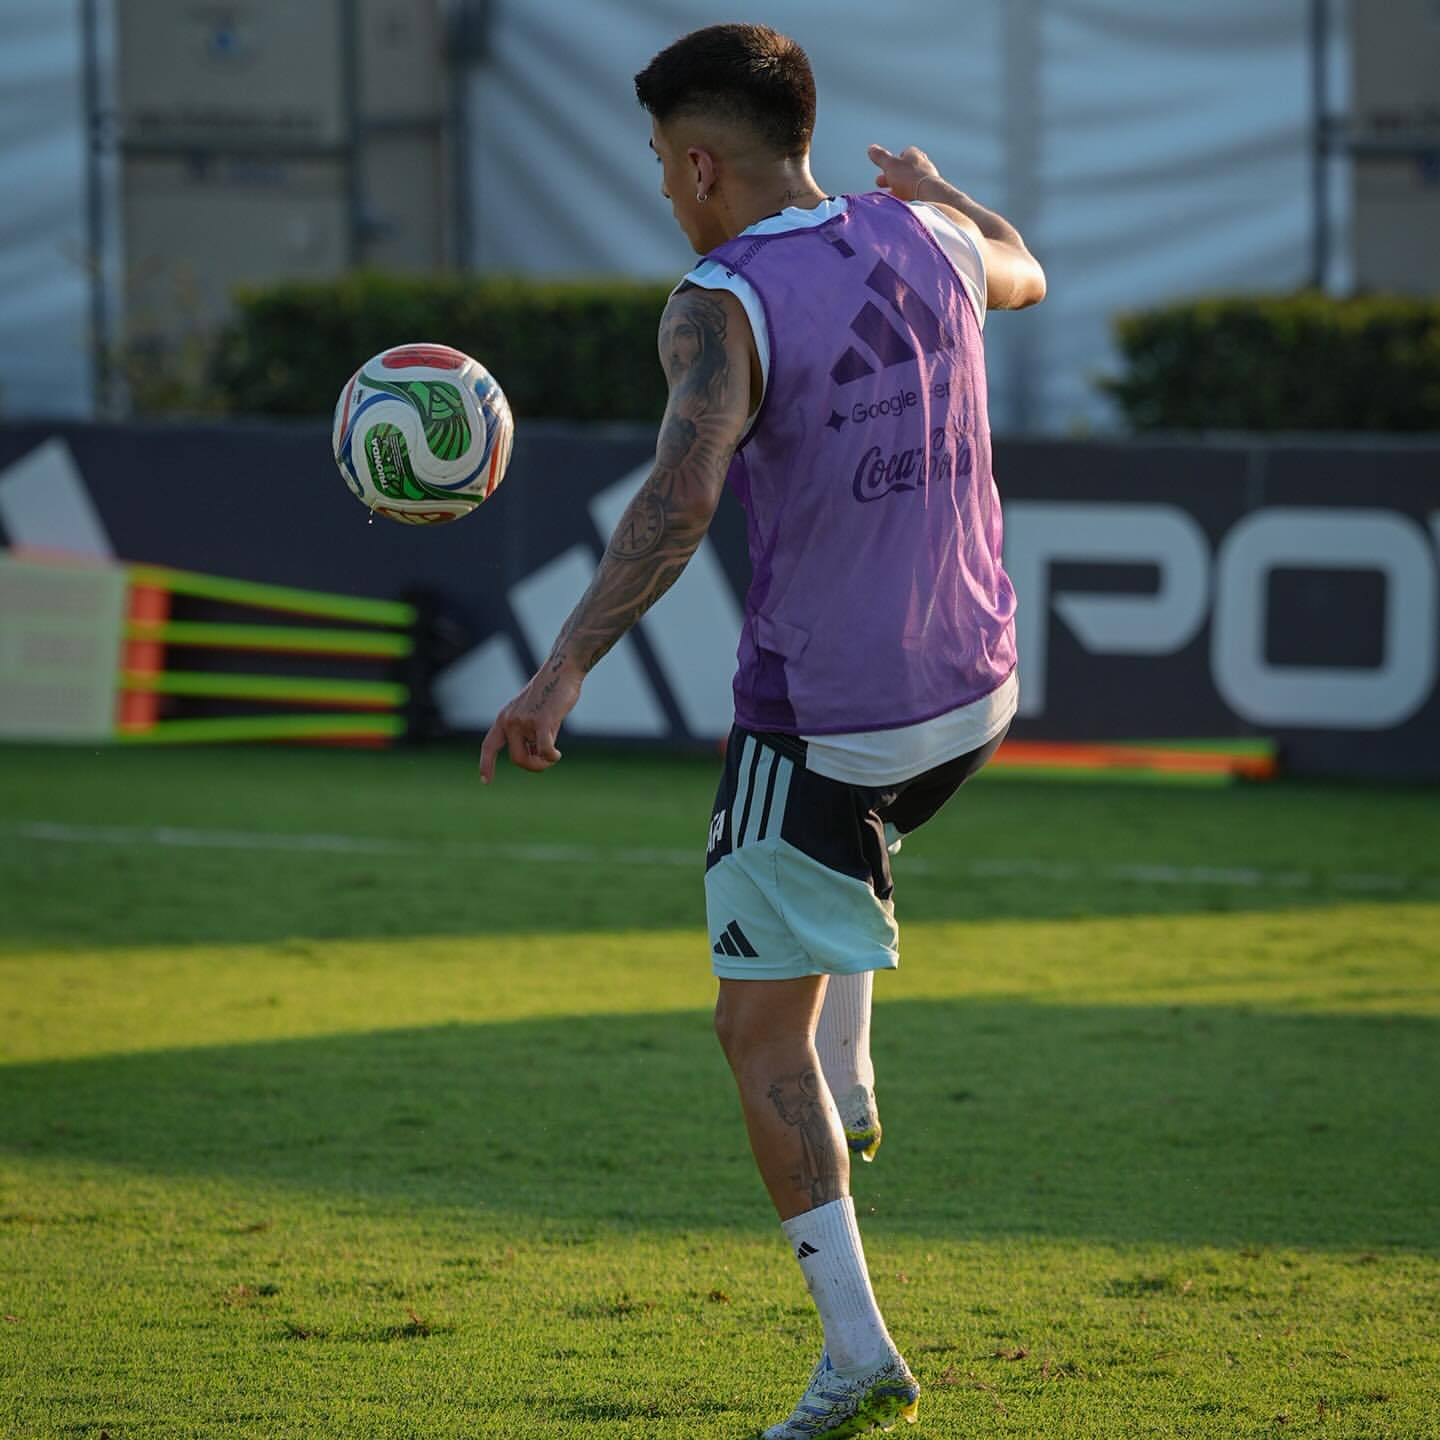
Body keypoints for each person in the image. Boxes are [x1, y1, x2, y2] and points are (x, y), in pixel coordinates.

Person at [479, 22, 1045, 1438]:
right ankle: (851, 1063)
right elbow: (1024, 266)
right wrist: (945, 190)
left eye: (662, 167)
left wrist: (560, 668)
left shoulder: (718, 299)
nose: (666, 195)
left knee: (751, 1033)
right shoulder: (930, 236)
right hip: (978, 693)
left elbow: (680, 498)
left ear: (699, 164)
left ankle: (858, 1357)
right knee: (848, 849)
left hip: (827, 722)